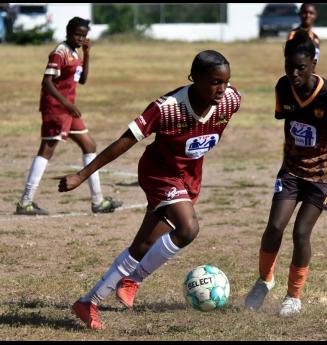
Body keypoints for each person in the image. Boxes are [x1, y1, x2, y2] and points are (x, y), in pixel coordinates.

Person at [57, 50, 241, 329]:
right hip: (159, 173)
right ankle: (134, 279)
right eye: (215, 82)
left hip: (189, 177)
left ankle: (88, 303)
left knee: (143, 245)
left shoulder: (231, 100)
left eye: (225, 82)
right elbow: (125, 140)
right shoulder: (167, 107)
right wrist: (83, 175)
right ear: (195, 79)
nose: (222, 89)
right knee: (188, 228)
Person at [244, 30, 327, 317]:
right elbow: (287, 121)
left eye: (301, 67)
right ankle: (265, 280)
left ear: (313, 65)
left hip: (326, 174)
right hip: (293, 171)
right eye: (289, 66)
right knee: (274, 227)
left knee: (301, 231)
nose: (294, 73)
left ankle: (293, 296)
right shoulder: (283, 87)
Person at [15, 17, 122, 215]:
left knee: (89, 145)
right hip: (56, 108)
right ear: (68, 32)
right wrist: (66, 103)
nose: (81, 38)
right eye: (77, 34)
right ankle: (25, 202)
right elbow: (46, 82)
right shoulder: (60, 52)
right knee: (47, 149)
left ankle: (98, 201)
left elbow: (82, 80)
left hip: (69, 110)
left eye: (84, 35)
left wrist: (87, 54)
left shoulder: (75, 52)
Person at [287, 3, 320, 70]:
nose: (308, 15)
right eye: (304, 12)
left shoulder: (316, 38)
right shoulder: (293, 35)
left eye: (311, 13)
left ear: (316, 15)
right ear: (299, 14)